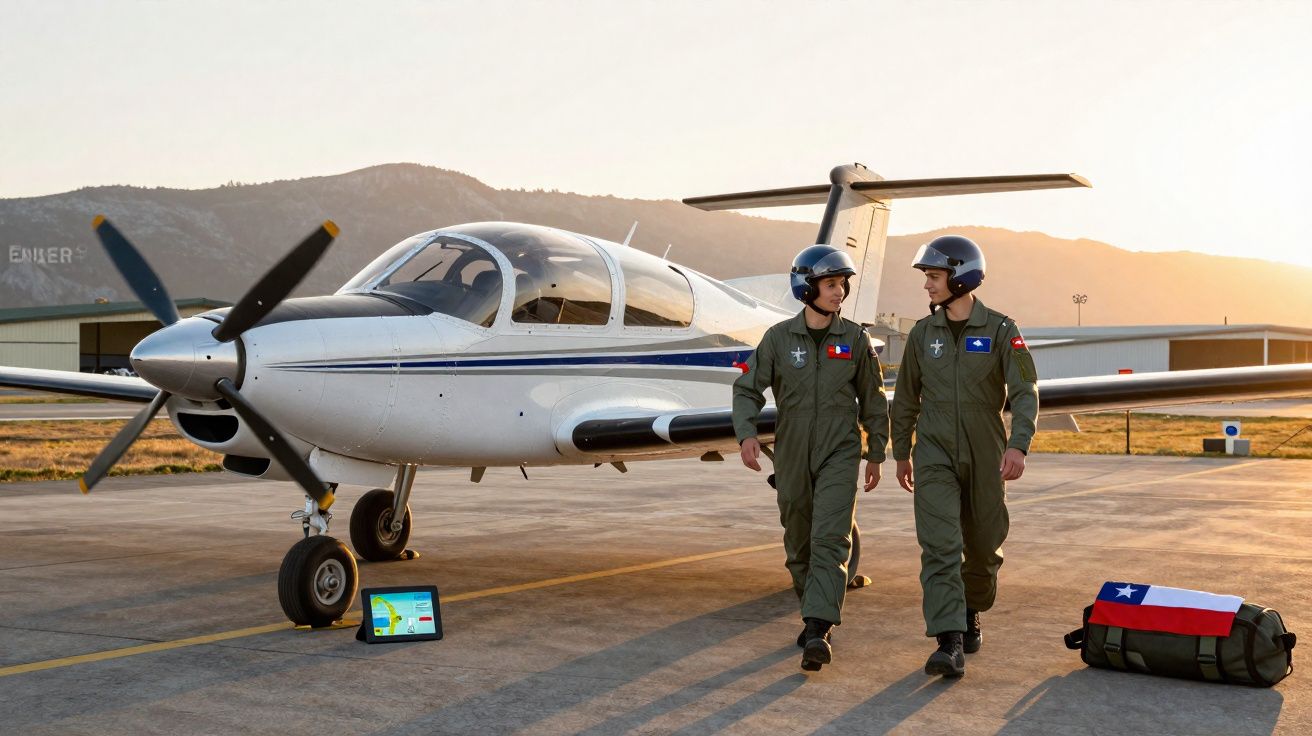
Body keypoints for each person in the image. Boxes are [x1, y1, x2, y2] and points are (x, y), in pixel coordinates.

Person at [732, 244, 890, 672]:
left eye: (842, 285)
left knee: (831, 538)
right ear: (808, 287)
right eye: (832, 284)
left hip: (841, 447)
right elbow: (746, 389)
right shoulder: (779, 339)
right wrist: (747, 435)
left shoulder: (855, 340)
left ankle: (819, 628)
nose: (840, 293)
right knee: (798, 536)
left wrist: (876, 452)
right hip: (792, 448)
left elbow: (874, 401)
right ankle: (812, 607)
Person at [890, 234, 1039, 678]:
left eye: (934, 277)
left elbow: (1026, 390)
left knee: (984, 546)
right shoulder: (922, 333)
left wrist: (1019, 443)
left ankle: (973, 607)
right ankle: (948, 640)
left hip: (986, 447)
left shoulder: (1001, 330)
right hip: (933, 448)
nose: (927, 286)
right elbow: (906, 398)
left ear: (961, 277)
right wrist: (902, 452)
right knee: (940, 546)